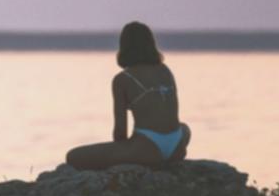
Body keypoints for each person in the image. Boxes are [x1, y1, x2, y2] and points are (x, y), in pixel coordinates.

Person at [66, 21, 191, 170]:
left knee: (73, 156)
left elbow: (120, 132)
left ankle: (151, 156)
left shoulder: (122, 79)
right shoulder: (165, 70)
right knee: (185, 128)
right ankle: (164, 154)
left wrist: (123, 150)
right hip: (176, 148)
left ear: (124, 47)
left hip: (147, 149)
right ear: (151, 44)